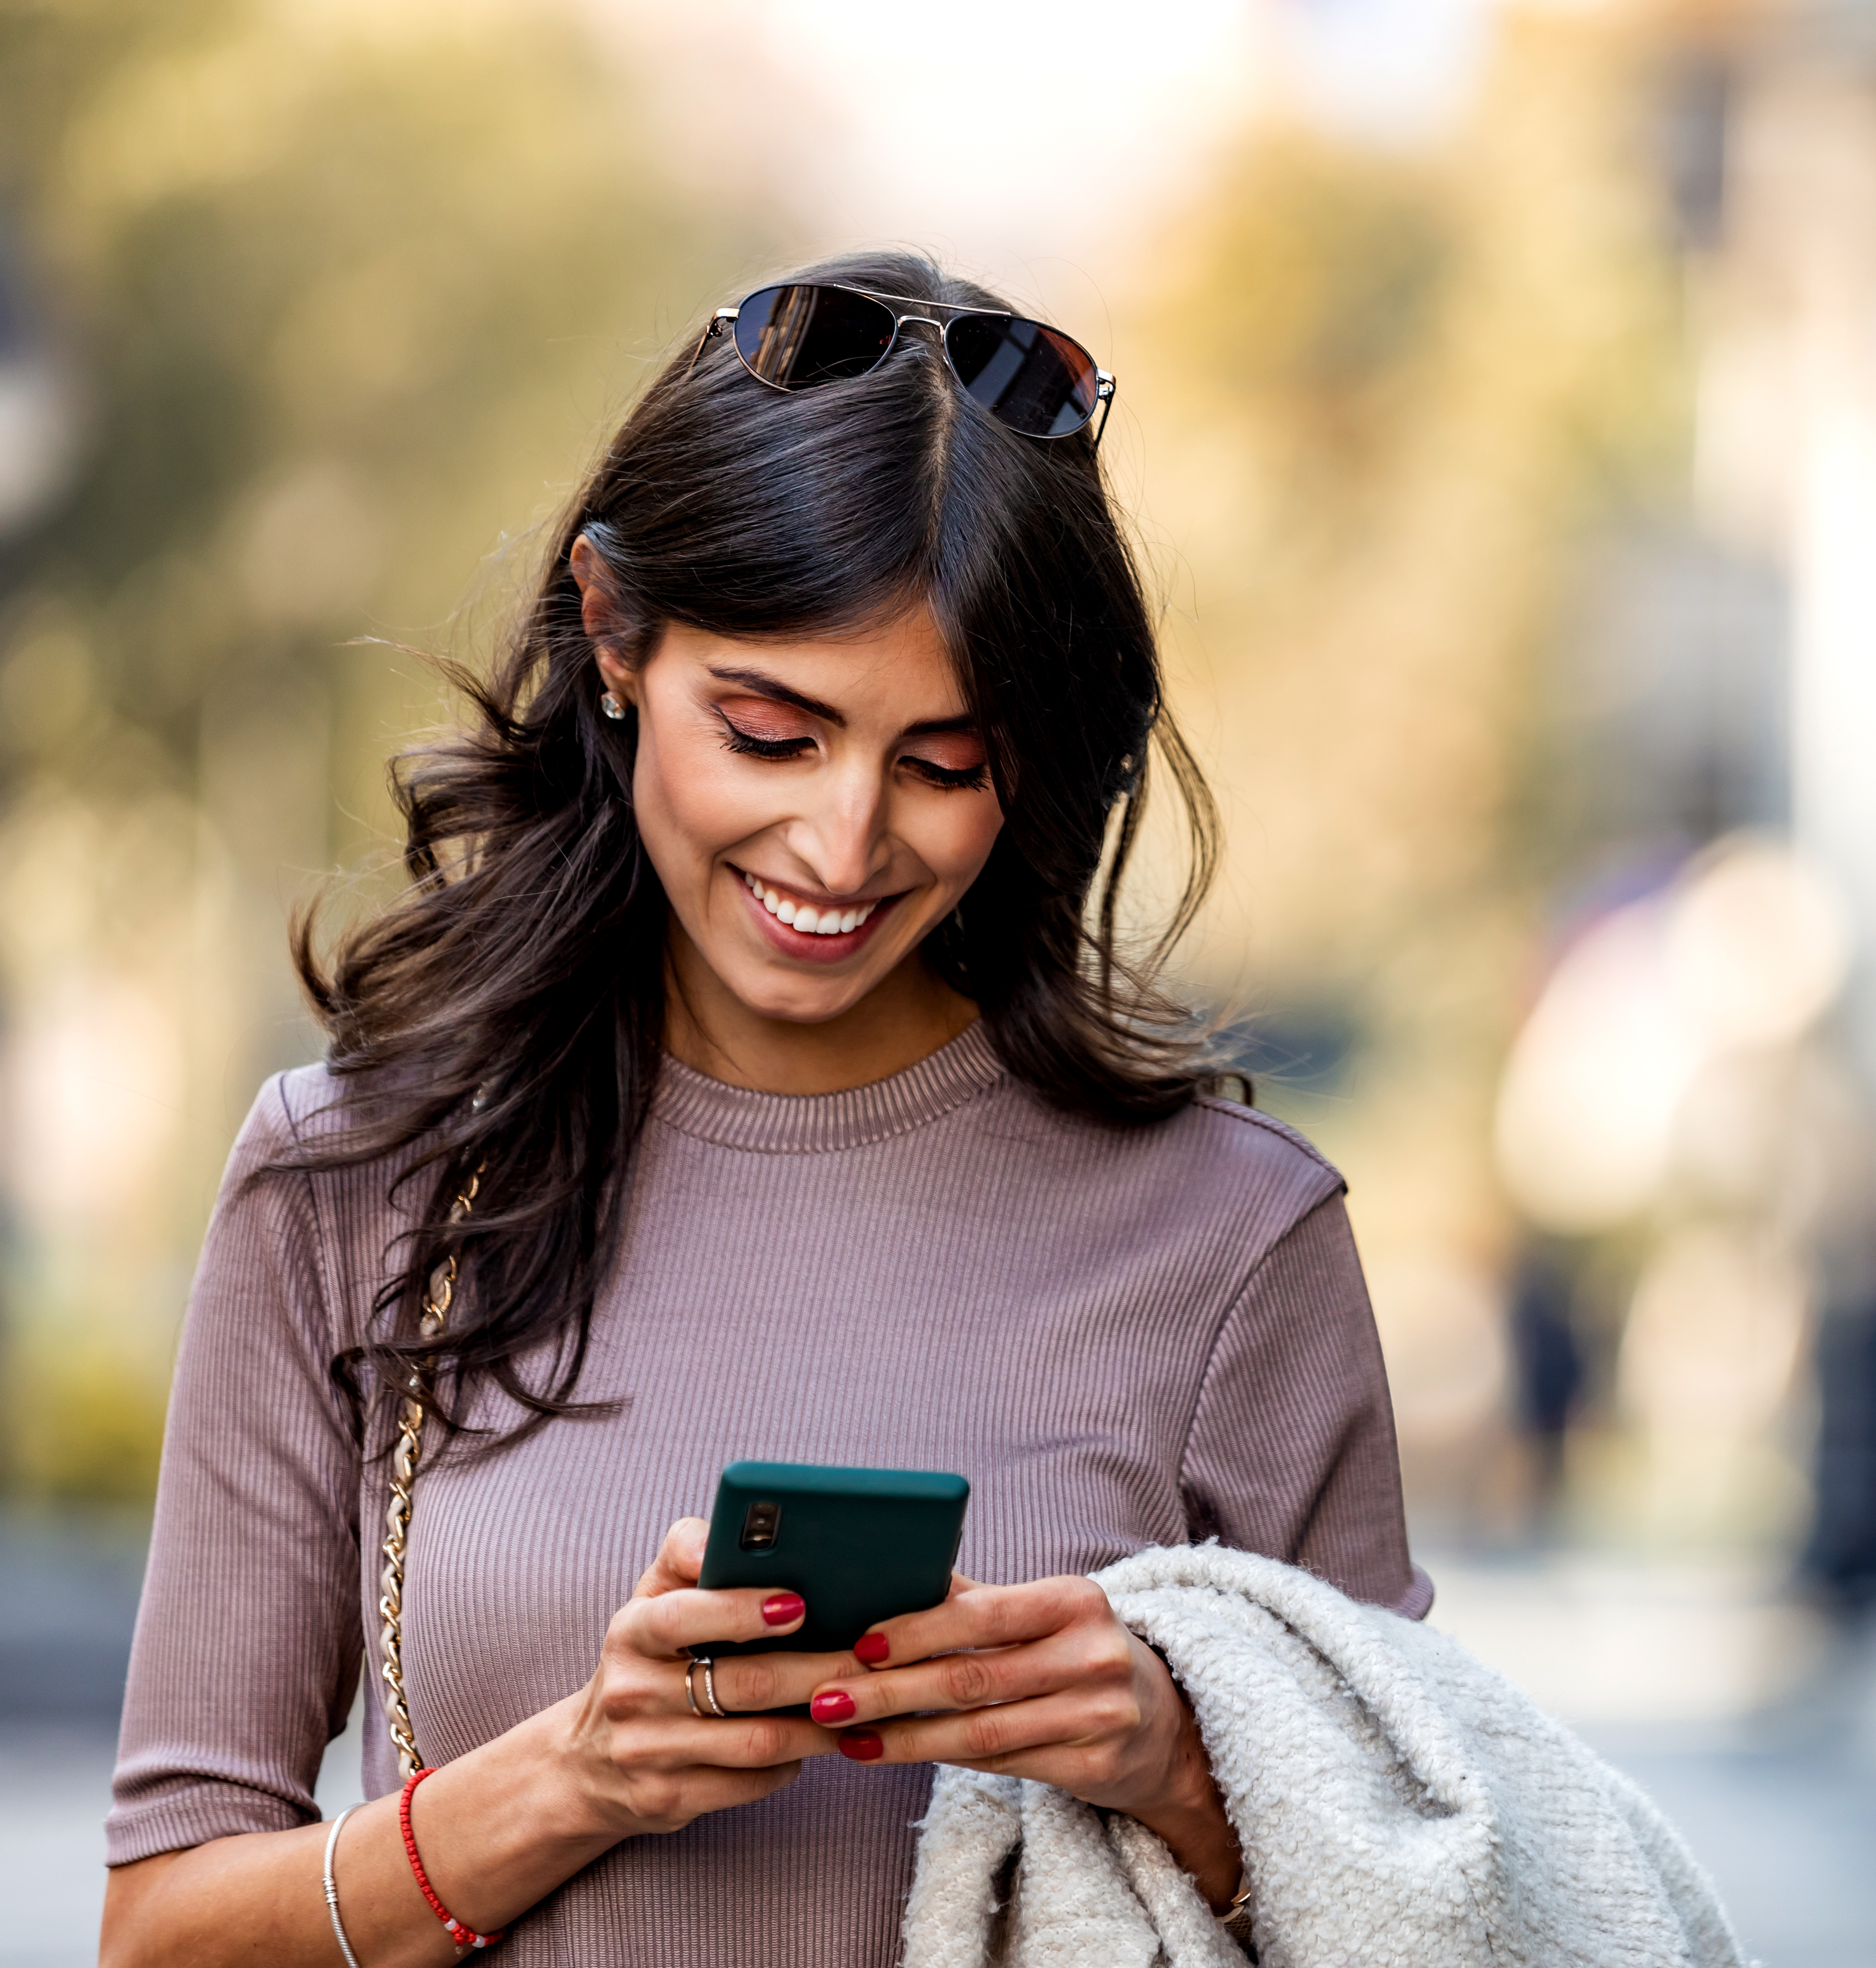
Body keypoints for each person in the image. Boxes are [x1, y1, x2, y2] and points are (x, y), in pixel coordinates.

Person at [98, 251, 1424, 1967]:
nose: (845, 841)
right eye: (772, 732)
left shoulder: (1237, 1240)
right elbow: (159, 1932)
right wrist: (576, 1778)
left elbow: (1439, 1889)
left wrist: (1174, 1761)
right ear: (614, 630)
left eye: (946, 763)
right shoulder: (354, 1177)